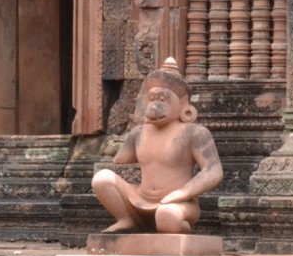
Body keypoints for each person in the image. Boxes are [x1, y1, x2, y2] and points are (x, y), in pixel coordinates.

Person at [91, 58, 223, 234]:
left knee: (167, 217)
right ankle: (127, 220)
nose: (155, 105)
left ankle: (178, 230)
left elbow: (214, 171)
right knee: (101, 179)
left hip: (177, 203)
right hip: (139, 198)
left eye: (162, 99)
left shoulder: (194, 133)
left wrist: (183, 193)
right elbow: (120, 160)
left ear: (183, 104)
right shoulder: (138, 133)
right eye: (151, 98)